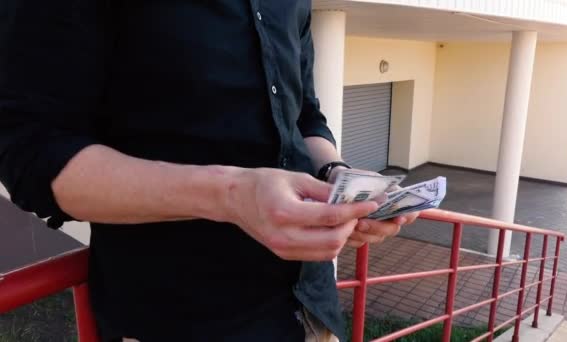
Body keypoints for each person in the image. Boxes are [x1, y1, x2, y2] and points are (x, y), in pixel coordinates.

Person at [0, 1, 418, 341]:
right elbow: (31, 152)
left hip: (311, 312)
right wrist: (230, 194)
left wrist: (336, 178)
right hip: (177, 321)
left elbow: (304, 116)